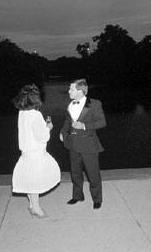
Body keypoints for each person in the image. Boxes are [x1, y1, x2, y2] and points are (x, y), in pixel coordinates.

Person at [12, 84, 61, 218]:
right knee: (35, 181)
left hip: (26, 153)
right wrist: (48, 128)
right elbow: (42, 136)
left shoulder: (22, 113)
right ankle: (36, 208)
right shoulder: (36, 115)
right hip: (36, 153)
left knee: (29, 180)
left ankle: (32, 205)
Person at [59, 79, 106, 209]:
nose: (69, 91)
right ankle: (77, 196)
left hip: (89, 145)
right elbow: (67, 121)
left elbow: (102, 122)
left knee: (93, 174)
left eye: (71, 89)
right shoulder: (70, 105)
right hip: (73, 144)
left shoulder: (95, 104)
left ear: (81, 90)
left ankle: (97, 199)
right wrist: (63, 132)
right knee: (75, 173)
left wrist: (84, 126)